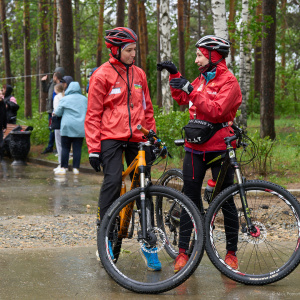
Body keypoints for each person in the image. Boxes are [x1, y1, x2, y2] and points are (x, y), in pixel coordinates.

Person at [157, 35, 242, 273]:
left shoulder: (229, 82)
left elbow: (216, 110)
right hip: (194, 148)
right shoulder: (203, 78)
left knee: (225, 200)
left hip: (219, 149)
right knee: (189, 198)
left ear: (213, 56)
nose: (196, 60)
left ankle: (231, 253)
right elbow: (183, 98)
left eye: (199, 55)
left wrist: (191, 89)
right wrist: (175, 76)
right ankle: (183, 252)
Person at [84, 27, 160, 271]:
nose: (133, 54)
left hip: (137, 137)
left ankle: (149, 243)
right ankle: (105, 237)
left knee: (143, 187)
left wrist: (152, 137)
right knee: (114, 180)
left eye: (135, 49)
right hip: (111, 138)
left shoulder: (139, 74)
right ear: (115, 50)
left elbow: (147, 109)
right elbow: (93, 114)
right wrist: (94, 148)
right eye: (128, 50)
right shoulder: (101, 75)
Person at [53, 81, 87, 175]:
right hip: (80, 127)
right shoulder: (84, 99)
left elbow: (58, 112)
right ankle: (76, 168)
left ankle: (63, 167)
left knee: (65, 148)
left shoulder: (65, 99)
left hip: (67, 126)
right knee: (77, 148)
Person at [41, 67, 65, 154]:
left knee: (56, 129)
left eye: (56, 73)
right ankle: (51, 147)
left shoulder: (63, 84)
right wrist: (43, 81)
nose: (54, 75)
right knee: (51, 128)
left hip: (57, 111)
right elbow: (45, 90)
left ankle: (55, 147)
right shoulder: (52, 82)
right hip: (50, 109)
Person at [52, 83, 65, 172]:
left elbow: (57, 110)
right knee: (65, 144)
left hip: (58, 121)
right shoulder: (65, 96)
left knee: (59, 143)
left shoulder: (57, 97)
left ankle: (61, 164)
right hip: (66, 121)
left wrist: (54, 113)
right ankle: (65, 162)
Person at [0, 89, 7, 161]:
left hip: (0, 127)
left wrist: (5, 126)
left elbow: (5, 115)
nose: (1, 96)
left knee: (1, 144)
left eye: (1, 94)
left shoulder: (3, 103)